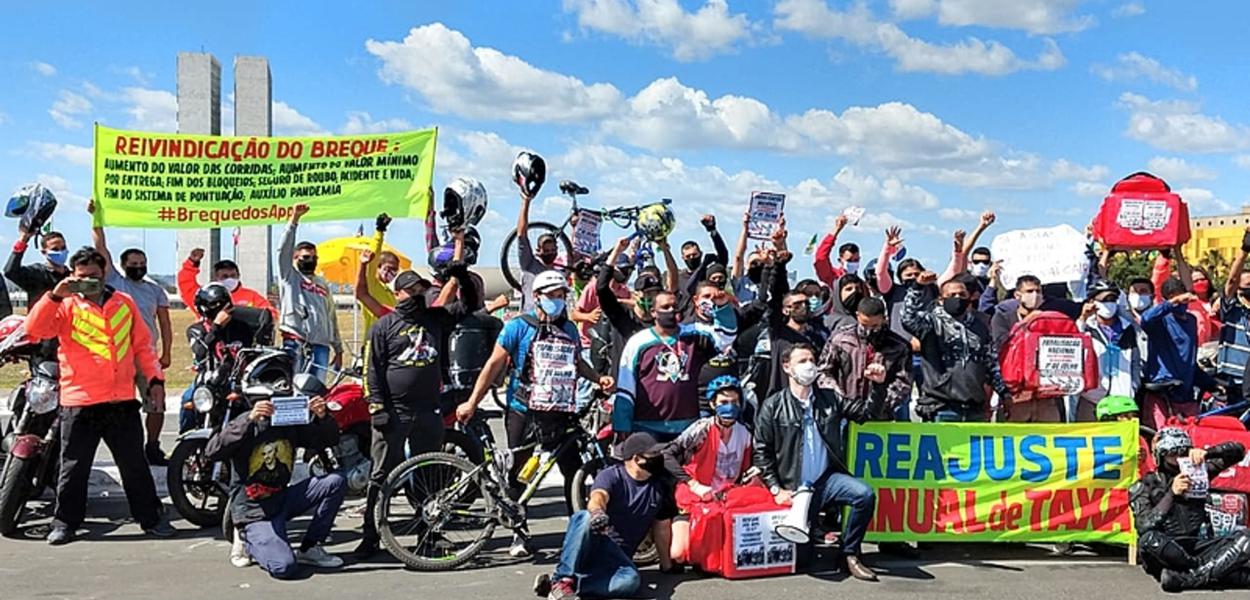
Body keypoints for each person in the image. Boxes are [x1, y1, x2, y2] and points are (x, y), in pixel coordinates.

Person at [457, 270, 614, 557]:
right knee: (518, 472)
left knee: (573, 470)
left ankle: (576, 530)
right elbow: (494, 364)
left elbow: (577, 363)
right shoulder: (518, 326)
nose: (558, 300)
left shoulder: (568, 329)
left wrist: (597, 378)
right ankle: (519, 533)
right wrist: (472, 401)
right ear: (537, 297)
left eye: (561, 295)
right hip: (523, 410)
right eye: (552, 295)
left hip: (560, 411)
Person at [25, 247, 173, 545]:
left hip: (120, 401)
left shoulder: (124, 303)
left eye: (94, 275)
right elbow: (34, 329)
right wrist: (55, 295)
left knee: (134, 466)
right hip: (80, 402)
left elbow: (142, 346)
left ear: (104, 273)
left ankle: (150, 519)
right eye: (82, 277)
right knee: (73, 468)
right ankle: (65, 522)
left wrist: (155, 379)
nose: (88, 282)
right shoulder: (64, 305)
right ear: (72, 276)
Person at [354, 263, 478, 558]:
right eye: (411, 291)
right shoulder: (383, 326)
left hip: (429, 410)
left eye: (421, 290)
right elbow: (371, 370)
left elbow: (470, 305)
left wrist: (460, 275)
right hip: (394, 411)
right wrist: (376, 407)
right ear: (397, 294)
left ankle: (429, 534)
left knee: (429, 474)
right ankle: (370, 535)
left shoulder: (436, 318)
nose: (417, 295)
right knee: (381, 474)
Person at [753, 343, 878, 581]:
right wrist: (776, 488)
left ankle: (849, 552)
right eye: (802, 361)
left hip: (826, 479)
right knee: (802, 560)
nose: (809, 365)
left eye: (811, 359)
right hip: (795, 488)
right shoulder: (773, 405)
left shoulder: (829, 399)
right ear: (787, 367)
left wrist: (878, 387)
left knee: (864, 495)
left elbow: (865, 413)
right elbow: (761, 452)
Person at [204, 389, 346, 579]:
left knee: (336, 481)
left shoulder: (289, 422)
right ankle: (245, 537)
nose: (272, 407)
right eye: (267, 403)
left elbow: (328, 439)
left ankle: (310, 547)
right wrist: (249, 419)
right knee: (283, 567)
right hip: (253, 509)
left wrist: (322, 416)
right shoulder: (246, 423)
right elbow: (212, 451)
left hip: (282, 498)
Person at [533, 432, 677, 600]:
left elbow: (662, 527)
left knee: (630, 581)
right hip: (595, 542)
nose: (659, 458)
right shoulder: (611, 475)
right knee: (583, 517)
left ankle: (560, 587)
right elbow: (598, 497)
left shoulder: (659, 487)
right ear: (637, 459)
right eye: (654, 454)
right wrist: (597, 512)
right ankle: (561, 580)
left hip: (618, 557)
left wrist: (666, 566)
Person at [89, 202, 174, 465]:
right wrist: (97, 219)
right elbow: (100, 249)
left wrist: (167, 352)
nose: (139, 266)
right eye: (134, 263)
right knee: (121, 407)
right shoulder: (115, 281)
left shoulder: (155, 289)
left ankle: (153, 446)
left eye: (143, 263)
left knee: (156, 404)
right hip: (118, 356)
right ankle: (128, 449)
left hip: (146, 356)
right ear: (124, 265)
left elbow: (165, 322)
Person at [1131, 428, 1250, 592]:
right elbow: (1144, 525)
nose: (1178, 458)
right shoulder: (1146, 484)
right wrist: (1172, 493)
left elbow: (1238, 451)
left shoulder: (1199, 473)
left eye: (1183, 452)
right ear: (1160, 455)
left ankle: (1192, 577)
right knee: (1148, 540)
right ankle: (1211, 570)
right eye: (1172, 453)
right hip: (1168, 548)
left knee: (1246, 538)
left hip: (1197, 544)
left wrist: (1208, 453)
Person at [614, 289, 733, 440]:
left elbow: (726, 338)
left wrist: (723, 308)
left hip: (688, 427)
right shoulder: (638, 342)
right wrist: (622, 424)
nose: (671, 311)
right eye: (665, 307)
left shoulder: (695, 333)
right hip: (647, 427)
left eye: (674, 306)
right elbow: (626, 386)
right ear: (653, 312)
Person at [661, 376, 753, 564]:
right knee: (679, 554)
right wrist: (692, 483)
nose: (730, 406)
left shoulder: (745, 434)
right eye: (724, 402)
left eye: (734, 402)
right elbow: (667, 454)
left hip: (726, 499)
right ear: (713, 404)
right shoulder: (702, 429)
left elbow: (746, 471)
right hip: (694, 498)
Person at [902, 270, 1011, 422]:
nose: (957, 298)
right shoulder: (930, 323)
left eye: (962, 295)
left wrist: (1004, 392)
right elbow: (908, 318)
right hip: (941, 407)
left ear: (970, 298)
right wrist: (918, 286)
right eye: (952, 295)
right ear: (941, 299)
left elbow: (990, 362)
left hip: (974, 408)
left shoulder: (982, 325)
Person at [1140, 277, 1222, 430]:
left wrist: (1212, 384)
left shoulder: (1191, 321)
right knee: (1164, 440)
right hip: (1163, 392)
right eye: (1173, 298)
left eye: (1181, 296)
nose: (1180, 302)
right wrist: (1173, 303)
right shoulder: (1160, 320)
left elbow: (1190, 361)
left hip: (1186, 394)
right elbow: (1145, 319)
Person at [817, 297, 911, 422]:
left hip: (881, 416)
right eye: (864, 325)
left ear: (884, 318)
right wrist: (840, 399)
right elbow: (824, 372)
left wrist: (878, 406)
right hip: (843, 413)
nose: (869, 331)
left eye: (875, 326)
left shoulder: (899, 346)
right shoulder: (839, 339)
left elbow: (903, 383)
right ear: (857, 316)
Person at [277, 203, 343, 379]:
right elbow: (283, 250)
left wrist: (338, 348)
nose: (310, 260)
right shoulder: (290, 276)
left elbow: (331, 317)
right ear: (295, 258)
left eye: (314, 257)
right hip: (296, 342)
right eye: (306, 257)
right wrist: (294, 220)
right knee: (294, 389)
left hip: (321, 347)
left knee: (316, 392)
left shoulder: (322, 284)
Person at [1076, 281, 1142, 422]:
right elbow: (1073, 347)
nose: (1109, 303)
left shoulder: (1128, 328)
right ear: (1092, 302)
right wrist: (1083, 318)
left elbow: (1136, 361)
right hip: (1092, 399)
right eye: (1104, 300)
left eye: (1112, 299)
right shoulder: (1086, 327)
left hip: (1122, 402)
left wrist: (1133, 386)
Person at [177, 248, 276, 320]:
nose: (229, 279)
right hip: (214, 342)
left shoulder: (251, 296)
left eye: (233, 275)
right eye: (224, 276)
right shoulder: (206, 296)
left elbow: (271, 313)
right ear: (216, 277)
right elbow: (186, 285)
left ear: (239, 275)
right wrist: (192, 262)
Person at [515, 187, 564, 311]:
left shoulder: (557, 273)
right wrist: (526, 202)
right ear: (538, 251)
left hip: (554, 318)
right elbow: (521, 235)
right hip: (531, 316)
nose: (550, 254)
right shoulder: (529, 264)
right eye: (546, 251)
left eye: (553, 251)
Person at [1217, 227, 1250, 401]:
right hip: (1233, 377)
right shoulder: (1232, 308)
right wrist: (1244, 251)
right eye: (1247, 284)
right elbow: (1231, 280)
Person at [358, 213, 400, 333]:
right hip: (374, 341)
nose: (392, 272)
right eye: (389, 268)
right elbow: (373, 256)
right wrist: (379, 232)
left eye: (395, 270)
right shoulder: (371, 284)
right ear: (378, 267)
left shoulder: (394, 292)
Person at [1095, 395, 1153, 478]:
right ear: (1109, 419)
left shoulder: (1139, 440)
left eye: (1134, 415)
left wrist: (1141, 461)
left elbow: (1148, 473)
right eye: (1126, 416)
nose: (1133, 420)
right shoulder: (1095, 442)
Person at [677, 214, 729, 292]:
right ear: (683, 258)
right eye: (688, 256)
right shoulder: (680, 278)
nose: (691, 258)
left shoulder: (708, 271)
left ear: (700, 254)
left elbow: (723, 255)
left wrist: (712, 230)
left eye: (694, 255)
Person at [813, 214, 858, 289]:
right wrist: (837, 229)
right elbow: (820, 257)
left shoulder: (861, 284)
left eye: (856, 260)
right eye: (849, 260)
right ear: (840, 260)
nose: (853, 263)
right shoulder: (832, 276)